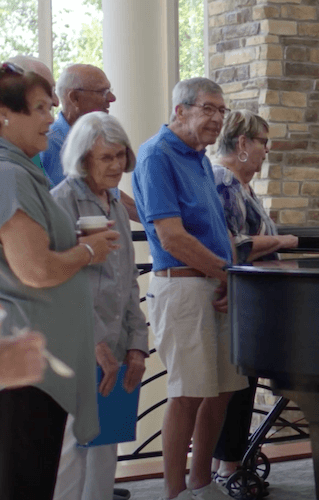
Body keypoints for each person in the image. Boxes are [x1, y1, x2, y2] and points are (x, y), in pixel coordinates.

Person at [0, 60, 117, 500]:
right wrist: (89, 250)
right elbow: (35, 270)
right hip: (25, 360)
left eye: (51, 107)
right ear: (3, 115)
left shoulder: (19, 171)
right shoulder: (8, 175)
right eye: (40, 109)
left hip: (37, 356)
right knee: (24, 480)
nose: (52, 119)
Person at [131, 77, 248, 500]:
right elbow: (172, 238)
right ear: (179, 110)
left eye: (222, 110)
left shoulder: (199, 157)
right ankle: (175, 492)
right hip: (182, 288)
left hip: (216, 285)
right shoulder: (156, 155)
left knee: (221, 392)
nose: (217, 118)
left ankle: (202, 482)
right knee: (188, 394)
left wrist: (228, 275)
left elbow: (218, 229)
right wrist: (228, 276)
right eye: (208, 108)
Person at [50, 112, 149, 500]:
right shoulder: (60, 203)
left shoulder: (117, 208)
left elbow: (128, 282)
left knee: (106, 452)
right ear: (83, 158)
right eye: (105, 157)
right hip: (76, 349)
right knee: (71, 455)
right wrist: (93, 345)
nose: (116, 165)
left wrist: (138, 345)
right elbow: (58, 284)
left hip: (118, 348)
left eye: (120, 155)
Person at [210, 109, 297, 481]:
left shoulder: (243, 186)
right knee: (235, 385)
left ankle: (226, 462)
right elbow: (234, 244)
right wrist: (281, 241)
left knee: (242, 384)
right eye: (263, 142)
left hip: (252, 299)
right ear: (242, 143)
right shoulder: (224, 181)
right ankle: (228, 464)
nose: (267, 150)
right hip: (235, 297)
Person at [39, 64, 138, 222]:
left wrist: (159, 219)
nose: (112, 98)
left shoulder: (96, 138)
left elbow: (111, 194)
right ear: (74, 98)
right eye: (102, 92)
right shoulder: (47, 143)